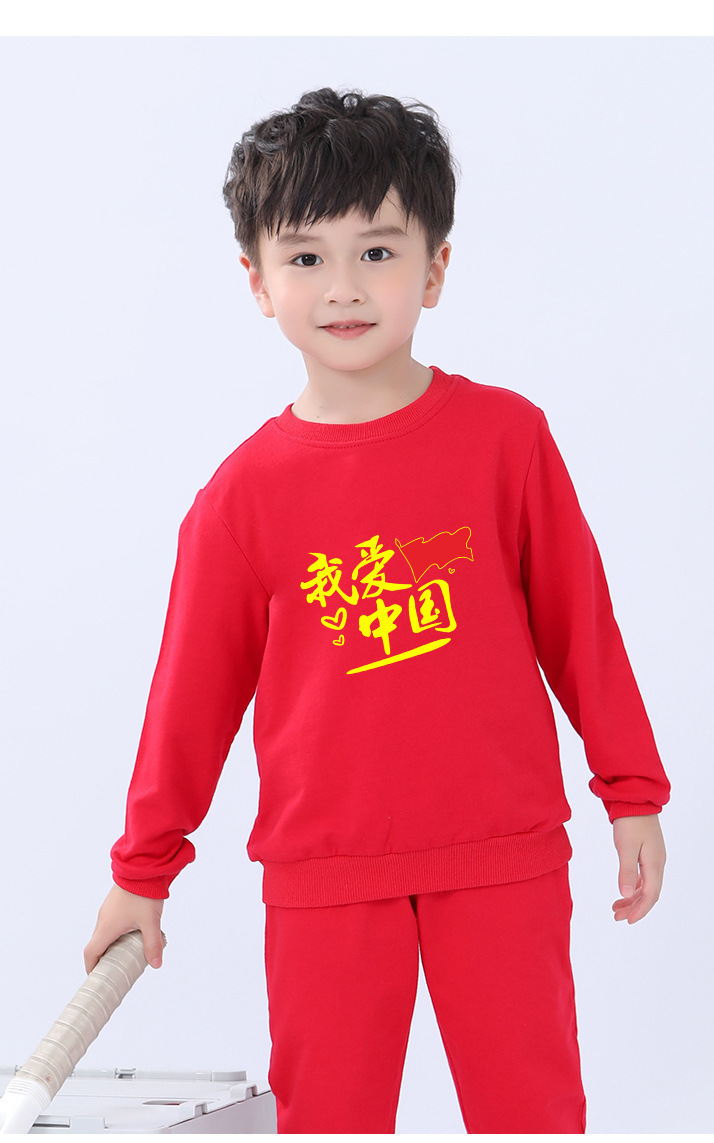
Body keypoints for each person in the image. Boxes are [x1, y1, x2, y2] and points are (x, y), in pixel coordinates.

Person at [84, 87, 670, 1133]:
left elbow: (581, 626)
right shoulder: (241, 498)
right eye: (307, 256)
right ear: (258, 281)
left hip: (502, 853)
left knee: (533, 1112)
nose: (344, 287)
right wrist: (143, 870)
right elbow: (190, 701)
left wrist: (631, 791)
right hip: (325, 874)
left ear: (435, 269)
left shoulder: (506, 440)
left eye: (379, 251)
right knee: (329, 1119)